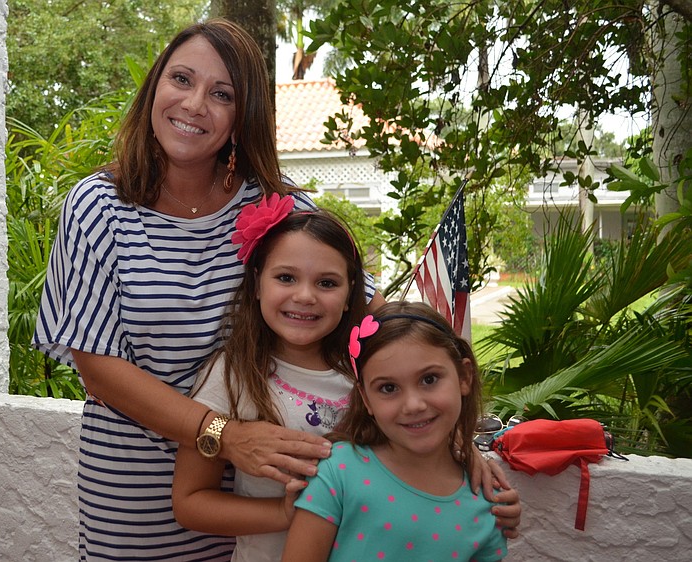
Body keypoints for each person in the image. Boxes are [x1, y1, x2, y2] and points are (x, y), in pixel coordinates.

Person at [33, 18, 385, 561]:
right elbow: (98, 364)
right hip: (133, 498)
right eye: (181, 79)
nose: (195, 104)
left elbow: (371, 320)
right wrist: (225, 435)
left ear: (242, 118)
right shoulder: (100, 205)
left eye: (222, 93)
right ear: (155, 89)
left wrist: (445, 454)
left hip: (263, 500)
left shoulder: (278, 211)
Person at [172, 202, 521, 562]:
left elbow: (419, 427)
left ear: (350, 292)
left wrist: (469, 466)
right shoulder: (234, 374)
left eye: (326, 282)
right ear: (257, 282)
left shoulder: (370, 367)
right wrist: (287, 512)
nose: (305, 296)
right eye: (286, 277)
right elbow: (190, 502)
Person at [281, 301, 512, 562]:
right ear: (366, 399)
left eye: (429, 379)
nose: (413, 405)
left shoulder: (487, 496)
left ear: (464, 377)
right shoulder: (336, 474)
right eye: (388, 388)